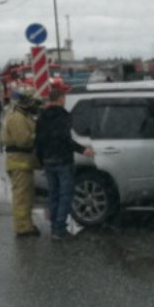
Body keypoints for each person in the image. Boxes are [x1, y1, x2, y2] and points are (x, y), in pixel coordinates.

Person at [35, 88, 95, 241]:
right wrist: (83, 150)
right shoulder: (63, 116)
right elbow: (65, 140)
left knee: (53, 194)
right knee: (65, 195)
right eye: (64, 98)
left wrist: (41, 160)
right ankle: (59, 228)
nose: (65, 101)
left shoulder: (42, 117)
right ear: (60, 99)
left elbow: (39, 141)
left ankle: (55, 226)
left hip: (49, 161)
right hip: (63, 160)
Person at [1, 93, 41, 237]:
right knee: (21, 197)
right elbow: (23, 140)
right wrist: (37, 136)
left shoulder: (22, 115)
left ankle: (26, 224)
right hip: (19, 162)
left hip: (23, 162)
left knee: (27, 195)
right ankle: (22, 228)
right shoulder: (17, 118)